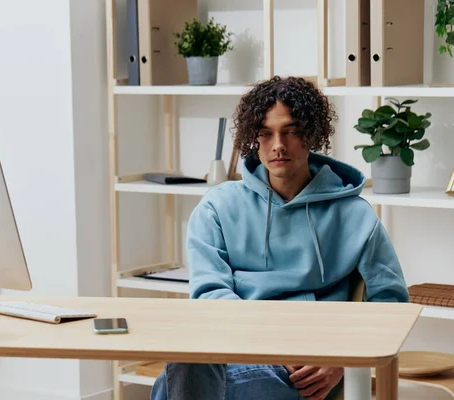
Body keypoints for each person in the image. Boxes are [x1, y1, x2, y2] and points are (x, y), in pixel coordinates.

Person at [150, 76, 409, 400]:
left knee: (169, 388)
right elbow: (209, 296)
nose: (278, 145)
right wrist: (267, 343)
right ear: (252, 139)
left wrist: (341, 363)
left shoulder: (355, 216)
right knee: (187, 358)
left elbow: (392, 304)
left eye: (291, 131)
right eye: (266, 133)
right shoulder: (217, 207)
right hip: (236, 351)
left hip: (307, 369)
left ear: (311, 135)